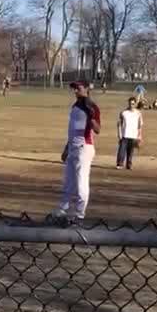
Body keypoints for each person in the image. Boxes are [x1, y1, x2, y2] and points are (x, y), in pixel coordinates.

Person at [53, 80, 100, 226]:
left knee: (81, 184)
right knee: (68, 183)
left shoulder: (91, 106)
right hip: (73, 147)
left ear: (86, 89)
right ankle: (62, 210)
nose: (75, 91)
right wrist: (67, 148)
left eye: (78, 88)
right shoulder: (75, 106)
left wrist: (91, 116)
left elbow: (97, 129)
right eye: (74, 88)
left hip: (83, 147)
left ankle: (79, 215)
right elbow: (72, 130)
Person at [116, 96, 144, 170]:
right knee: (122, 150)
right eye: (130, 103)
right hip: (125, 134)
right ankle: (120, 164)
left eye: (133, 103)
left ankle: (129, 164)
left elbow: (140, 126)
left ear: (135, 104)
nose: (131, 105)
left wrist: (140, 136)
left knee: (130, 151)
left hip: (133, 135)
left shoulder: (138, 113)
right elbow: (119, 124)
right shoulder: (124, 113)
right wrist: (119, 133)